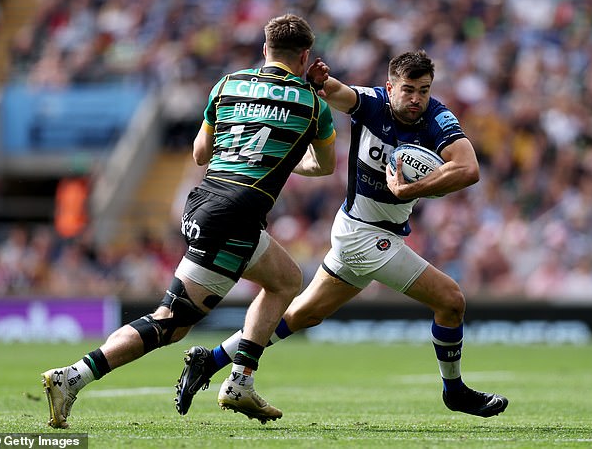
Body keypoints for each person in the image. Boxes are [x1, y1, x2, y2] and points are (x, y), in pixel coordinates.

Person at [175, 50, 508, 419]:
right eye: (409, 90)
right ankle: (455, 391)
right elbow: (336, 91)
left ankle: (212, 359)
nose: (416, 99)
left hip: (373, 233)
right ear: (390, 87)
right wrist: (319, 81)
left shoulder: (437, 117)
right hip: (362, 235)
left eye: (424, 90)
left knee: (303, 314)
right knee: (451, 300)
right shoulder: (371, 104)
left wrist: (411, 190)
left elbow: (469, 168)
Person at [41, 13, 337, 428]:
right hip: (235, 213)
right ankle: (73, 376)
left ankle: (240, 379)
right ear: (306, 56)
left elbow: (200, 153)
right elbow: (323, 167)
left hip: (203, 202)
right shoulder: (313, 106)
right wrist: (288, 156)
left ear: (265, 49)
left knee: (286, 279)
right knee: (170, 324)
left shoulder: (227, 84)